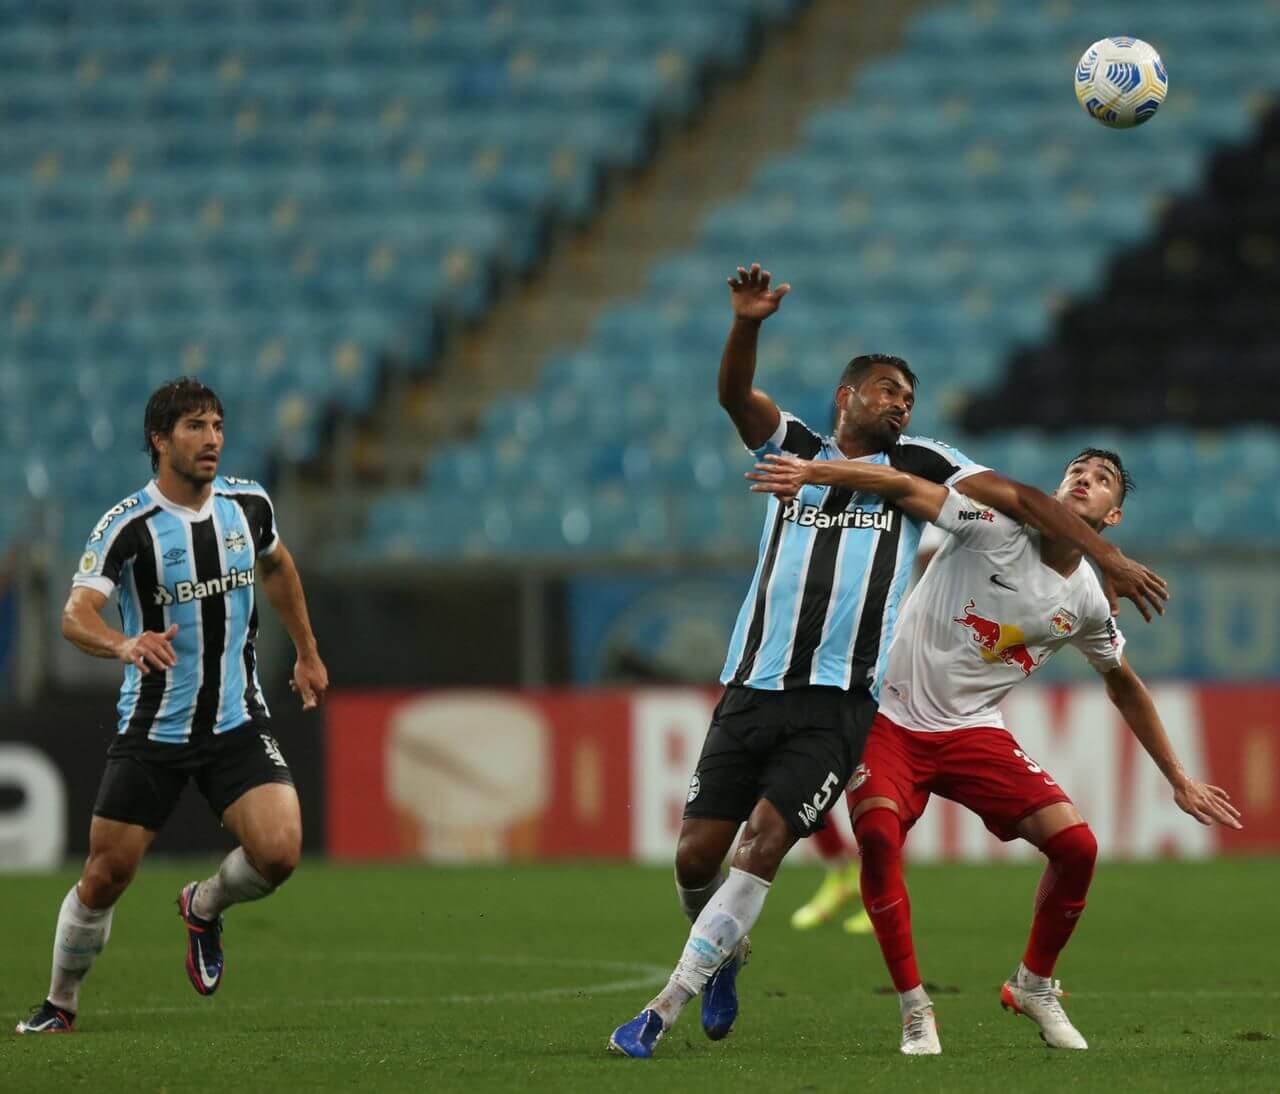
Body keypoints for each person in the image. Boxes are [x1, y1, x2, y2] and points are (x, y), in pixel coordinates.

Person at [606, 264, 1168, 1058]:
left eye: (907, 393)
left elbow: (1022, 501)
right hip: (752, 681)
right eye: (883, 389)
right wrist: (747, 325)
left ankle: (664, 1010)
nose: (899, 401)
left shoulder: (926, 460)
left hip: (844, 700)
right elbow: (736, 398)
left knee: (763, 844)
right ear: (846, 397)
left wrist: (1102, 555)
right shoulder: (791, 443)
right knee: (696, 856)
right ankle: (725, 951)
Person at [748, 447, 1241, 1054]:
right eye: (1077, 471)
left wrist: (1179, 777)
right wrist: (814, 471)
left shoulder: (1088, 599)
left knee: (1077, 847)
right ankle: (914, 1008)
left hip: (973, 731)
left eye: (1103, 478)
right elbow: (904, 484)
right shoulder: (992, 527)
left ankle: (1033, 984)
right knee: (877, 837)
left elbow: (1123, 683)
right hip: (889, 718)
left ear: (1113, 516)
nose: (1085, 479)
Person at [15, 377, 329, 1034]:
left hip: (237, 719)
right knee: (106, 874)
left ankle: (204, 906)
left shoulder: (249, 505)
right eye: (194, 426)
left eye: (216, 425)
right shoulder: (129, 526)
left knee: (280, 853)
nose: (211, 439)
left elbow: (278, 568)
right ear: (160, 440)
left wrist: (305, 650)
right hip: (155, 727)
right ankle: (60, 1002)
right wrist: (125, 643)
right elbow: (75, 616)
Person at [789, 525, 945, 936]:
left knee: (878, 782)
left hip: (888, 666)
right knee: (800, 771)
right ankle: (839, 872)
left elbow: (934, 573)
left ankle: (885, 891)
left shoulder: (919, 504)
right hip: (830, 655)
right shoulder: (841, 502)